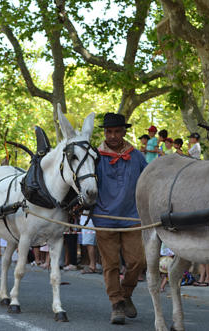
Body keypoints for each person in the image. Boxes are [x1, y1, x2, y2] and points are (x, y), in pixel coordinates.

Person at [92, 113, 147, 325]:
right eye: (108, 131)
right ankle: (116, 304)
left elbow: (149, 181)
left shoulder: (137, 156)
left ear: (124, 131)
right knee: (111, 264)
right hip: (104, 217)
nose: (112, 136)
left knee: (137, 262)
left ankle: (126, 294)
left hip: (132, 217)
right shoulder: (95, 157)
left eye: (116, 131)